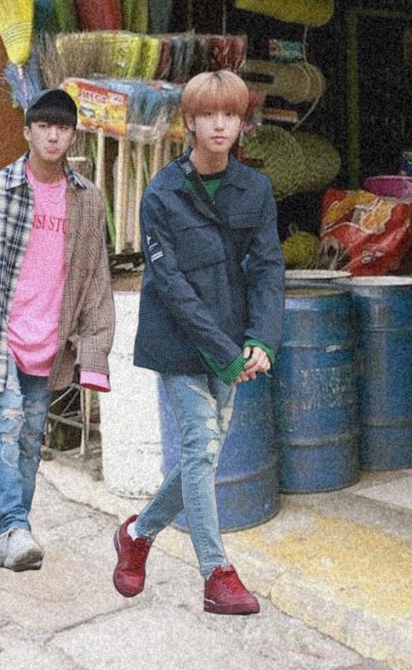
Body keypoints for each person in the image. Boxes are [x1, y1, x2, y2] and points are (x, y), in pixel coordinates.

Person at [112, 70, 284, 614]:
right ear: (188, 122)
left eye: (229, 115)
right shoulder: (162, 192)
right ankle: (216, 574)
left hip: (234, 339)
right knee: (202, 445)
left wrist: (263, 339)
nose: (219, 125)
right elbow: (174, 289)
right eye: (208, 115)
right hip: (179, 342)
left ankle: (138, 534)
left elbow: (268, 268)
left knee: (201, 455)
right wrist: (227, 354)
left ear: (241, 123)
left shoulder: (254, 190)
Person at [0, 89, 115, 571]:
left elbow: (96, 278)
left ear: (74, 135)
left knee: (31, 437)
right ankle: (13, 526)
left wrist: (93, 353)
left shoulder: (88, 200)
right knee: (7, 426)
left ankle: (1, 539)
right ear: (27, 131)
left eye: (63, 127)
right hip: (0, 336)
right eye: (44, 126)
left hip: (50, 341)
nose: (53, 135)